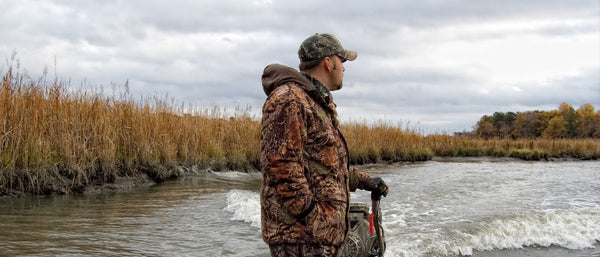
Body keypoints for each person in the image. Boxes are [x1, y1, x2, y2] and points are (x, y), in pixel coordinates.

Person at [259, 33, 390, 257]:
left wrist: (366, 181)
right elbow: (281, 168)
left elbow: (324, 168)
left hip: (319, 240)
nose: (344, 69)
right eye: (342, 61)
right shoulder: (289, 98)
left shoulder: (317, 103)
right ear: (328, 62)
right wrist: (315, 219)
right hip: (301, 240)